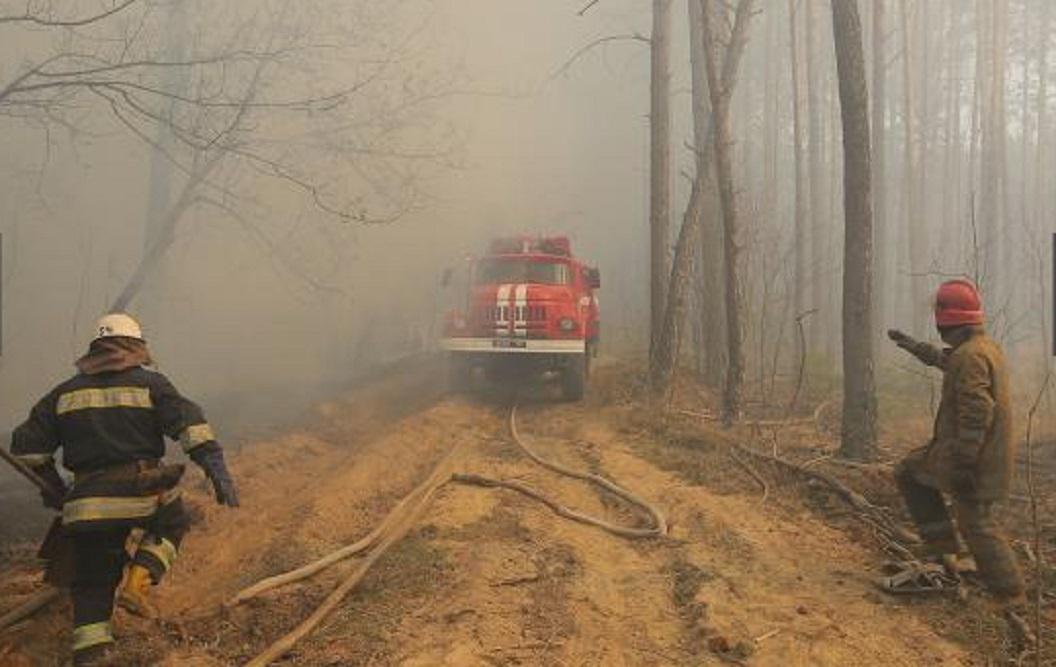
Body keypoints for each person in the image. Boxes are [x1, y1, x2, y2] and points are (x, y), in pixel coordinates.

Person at [8, 313, 239, 665]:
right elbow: (190, 425)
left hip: (85, 505)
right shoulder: (151, 385)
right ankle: (138, 581)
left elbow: (26, 448)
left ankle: (92, 652)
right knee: (174, 520)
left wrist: (54, 488)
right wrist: (214, 465)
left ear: (96, 350)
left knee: (93, 581)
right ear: (135, 346)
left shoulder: (64, 393)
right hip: (140, 491)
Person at [888, 279, 1024, 603]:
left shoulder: (971, 356)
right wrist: (915, 347)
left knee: (977, 525)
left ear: (946, 320)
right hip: (975, 456)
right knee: (911, 473)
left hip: (975, 461)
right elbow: (948, 362)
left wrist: (963, 465)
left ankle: (1013, 602)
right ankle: (943, 554)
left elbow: (977, 412)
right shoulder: (981, 348)